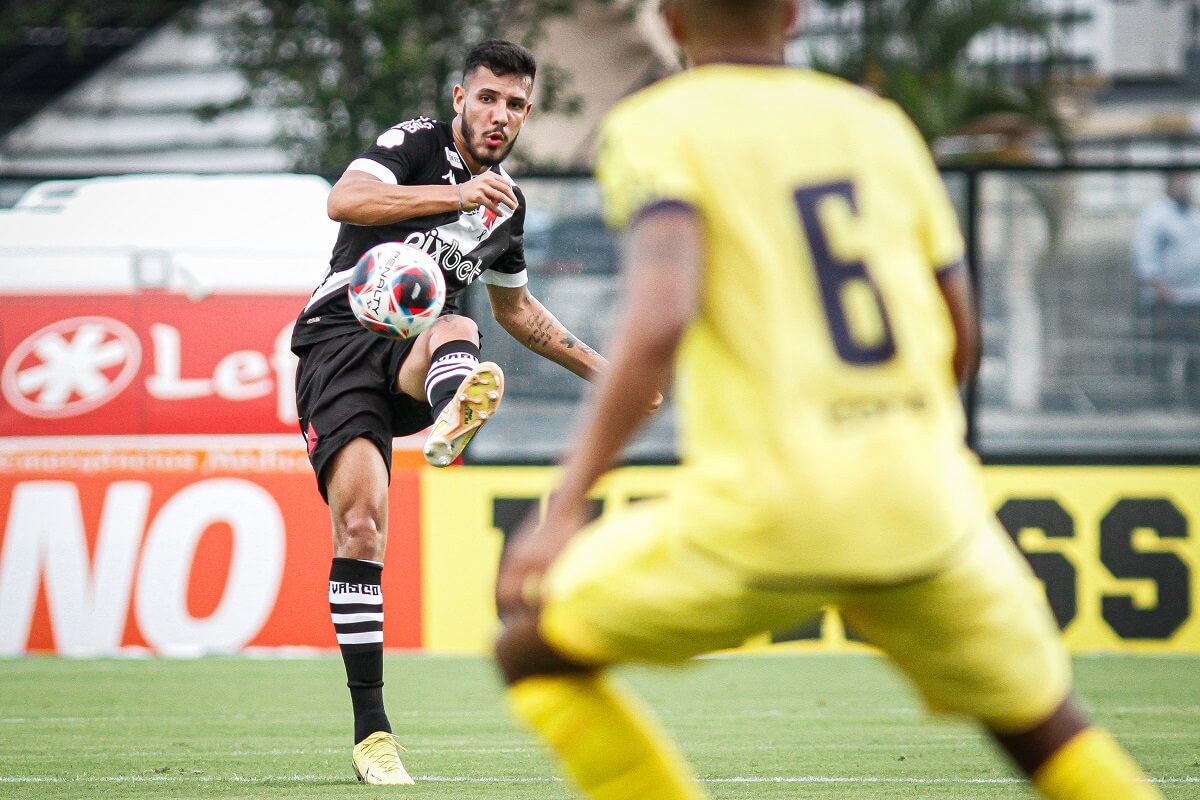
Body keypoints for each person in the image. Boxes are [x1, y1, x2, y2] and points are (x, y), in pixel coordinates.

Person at [493, 2, 1163, 799]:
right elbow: (961, 332)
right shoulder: (876, 125)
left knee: (529, 654)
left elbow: (660, 316)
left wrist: (564, 506)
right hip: (924, 512)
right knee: (1045, 732)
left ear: (670, 22)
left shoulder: (660, 123)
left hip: (765, 518)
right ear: (795, 17)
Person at [291, 40, 618, 785]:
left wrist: (611, 374)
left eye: (515, 105)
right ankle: (372, 734)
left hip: (418, 354)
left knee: (459, 324)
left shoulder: (508, 204)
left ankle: (450, 414)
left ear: (526, 114)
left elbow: (522, 313)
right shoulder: (415, 144)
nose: (499, 116)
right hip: (339, 344)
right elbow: (345, 200)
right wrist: (455, 196)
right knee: (360, 523)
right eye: (488, 98)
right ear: (460, 98)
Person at [1133, 170, 1200, 309]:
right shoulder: (1154, 214)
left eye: (1187, 181)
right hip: (1166, 297)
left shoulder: (1193, 213)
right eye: (1180, 180)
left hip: (1194, 294)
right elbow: (1145, 256)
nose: (1185, 185)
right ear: (1170, 183)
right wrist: (1159, 289)